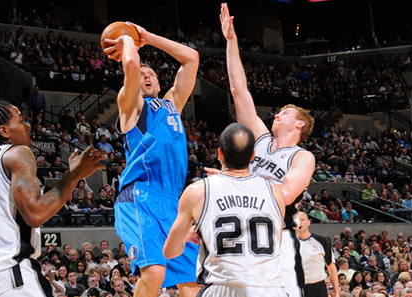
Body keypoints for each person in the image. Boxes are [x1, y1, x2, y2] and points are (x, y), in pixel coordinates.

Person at [0, 101, 106, 297]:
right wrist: (74, 175)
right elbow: (35, 213)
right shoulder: (17, 153)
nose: (27, 126)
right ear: (4, 131)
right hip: (9, 275)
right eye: (21, 120)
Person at [215, 4, 316, 297]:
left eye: (283, 113)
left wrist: (234, 182)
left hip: (276, 236)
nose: (276, 115)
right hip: (242, 230)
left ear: (299, 123)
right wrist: (231, 42)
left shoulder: (302, 157)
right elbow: (239, 91)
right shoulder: (260, 139)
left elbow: (285, 195)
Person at [102, 19, 199, 297]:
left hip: (173, 202)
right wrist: (128, 39)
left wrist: (148, 35)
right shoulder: (130, 106)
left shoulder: (171, 106)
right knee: (155, 271)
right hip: (140, 197)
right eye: (142, 73)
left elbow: (191, 59)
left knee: (190, 279)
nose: (145, 75)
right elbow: (131, 66)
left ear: (158, 82)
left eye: (151, 74)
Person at [164, 123, 286, 296]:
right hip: (272, 289)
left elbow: (170, 251)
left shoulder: (198, 191)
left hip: (222, 288)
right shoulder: (275, 192)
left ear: (219, 153)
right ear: (253, 154)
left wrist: (192, 233)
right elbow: (276, 243)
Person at [296, 212, 340, 297]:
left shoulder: (322, 241)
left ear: (308, 222)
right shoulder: (288, 243)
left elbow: (331, 268)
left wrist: (337, 292)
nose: (300, 223)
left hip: (318, 287)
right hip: (296, 287)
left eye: (302, 220)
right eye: (297, 220)